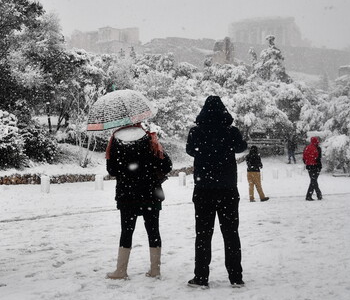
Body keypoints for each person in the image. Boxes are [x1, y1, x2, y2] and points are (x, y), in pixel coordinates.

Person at [185, 96, 247, 289]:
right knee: (231, 233)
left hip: (204, 189)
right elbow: (241, 147)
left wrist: (205, 149)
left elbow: (190, 150)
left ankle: (201, 276)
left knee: (203, 234)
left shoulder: (196, 132)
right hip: (228, 188)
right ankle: (236, 276)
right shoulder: (231, 132)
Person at [105, 124, 172, 280]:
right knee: (153, 230)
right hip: (150, 193)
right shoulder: (150, 139)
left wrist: (126, 169)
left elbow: (111, 170)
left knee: (126, 231)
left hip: (127, 195)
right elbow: (167, 165)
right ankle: (155, 269)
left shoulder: (115, 141)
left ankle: (121, 270)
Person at [303, 136, 323, 201]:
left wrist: (307, 163)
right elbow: (318, 158)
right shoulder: (317, 148)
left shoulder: (306, 148)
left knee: (313, 181)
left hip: (309, 167)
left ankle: (318, 195)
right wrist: (319, 166)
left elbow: (304, 158)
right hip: (315, 167)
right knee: (313, 181)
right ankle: (309, 196)